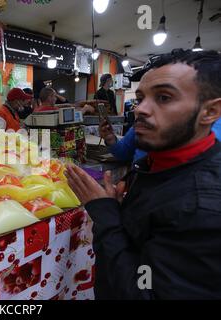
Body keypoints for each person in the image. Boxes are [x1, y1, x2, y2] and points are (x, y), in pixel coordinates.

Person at [66, 49, 221, 299]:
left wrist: (105, 214)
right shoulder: (159, 159)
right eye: (140, 98)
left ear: (210, 112)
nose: (140, 110)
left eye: (164, 97)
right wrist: (120, 210)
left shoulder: (203, 208)